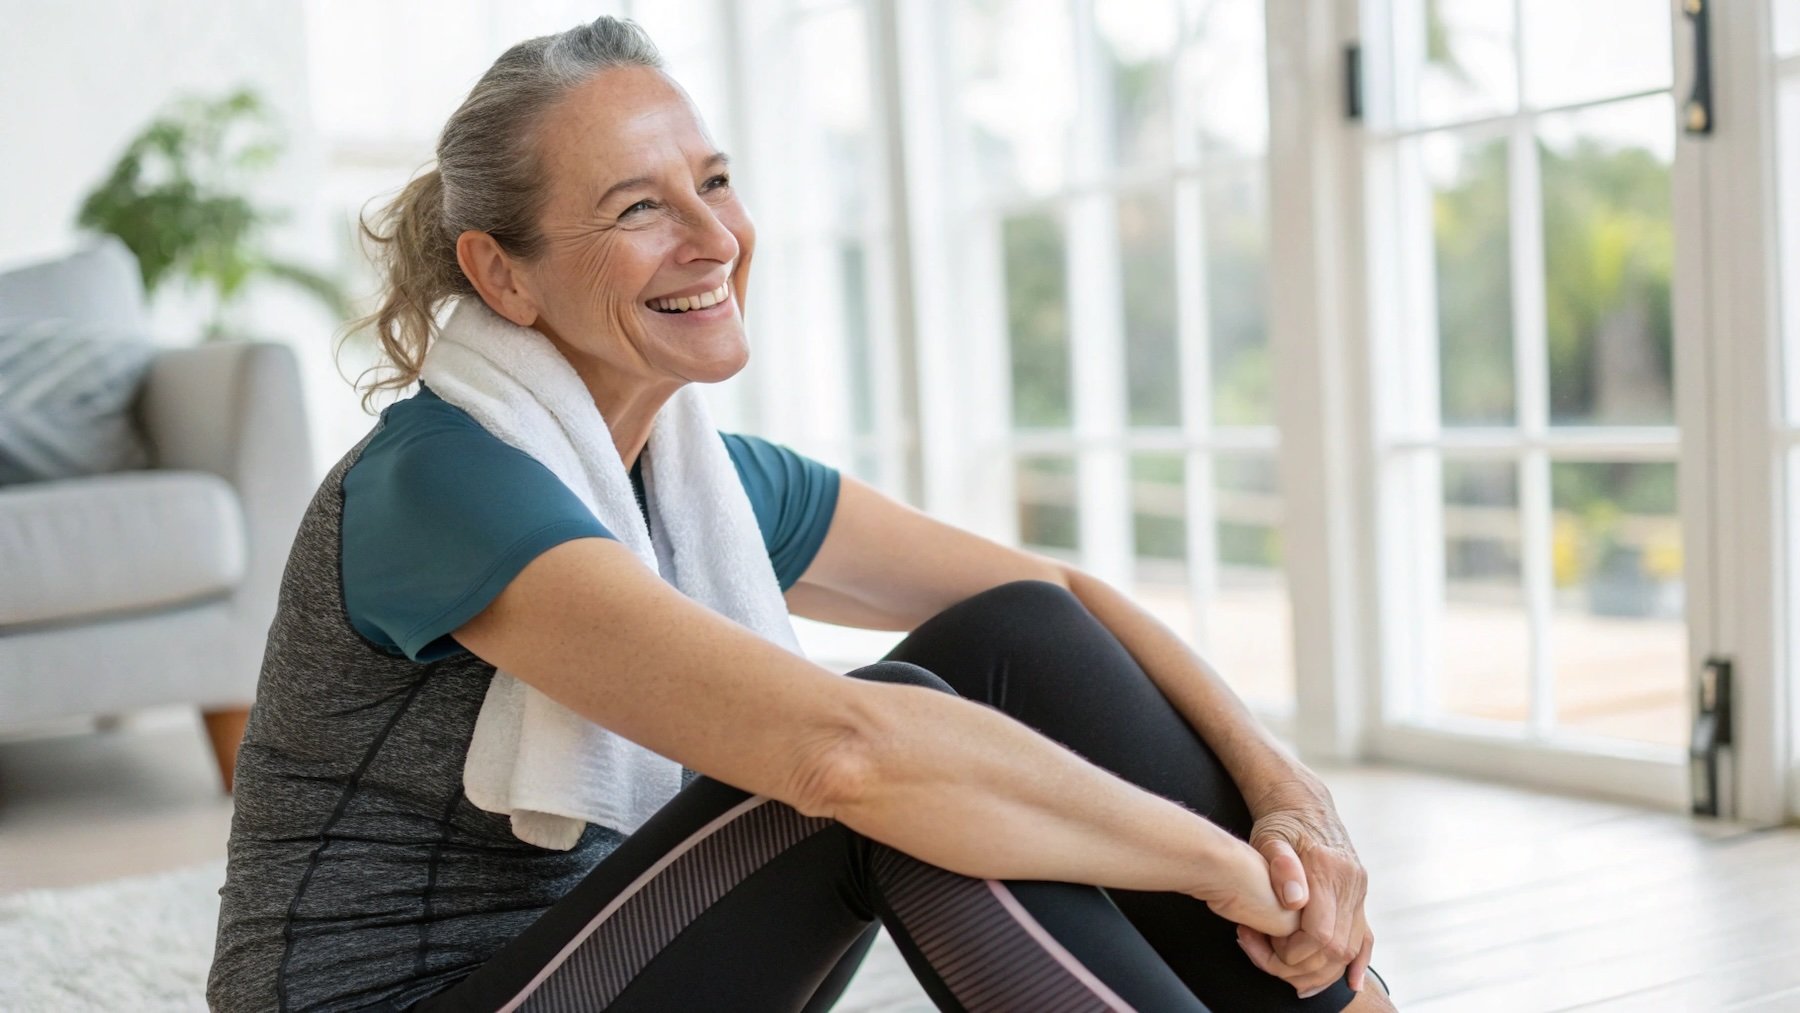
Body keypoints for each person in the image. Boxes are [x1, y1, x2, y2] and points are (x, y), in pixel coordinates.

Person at [207, 16, 1394, 1013]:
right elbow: (847, 753)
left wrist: (1292, 798)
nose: (717, 238)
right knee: (881, 770)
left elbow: (1061, 601)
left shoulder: (694, 481)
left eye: (713, 181)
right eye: (639, 209)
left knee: (1010, 633)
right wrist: (1225, 867)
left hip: (600, 962)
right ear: (502, 274)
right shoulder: (442, 483)